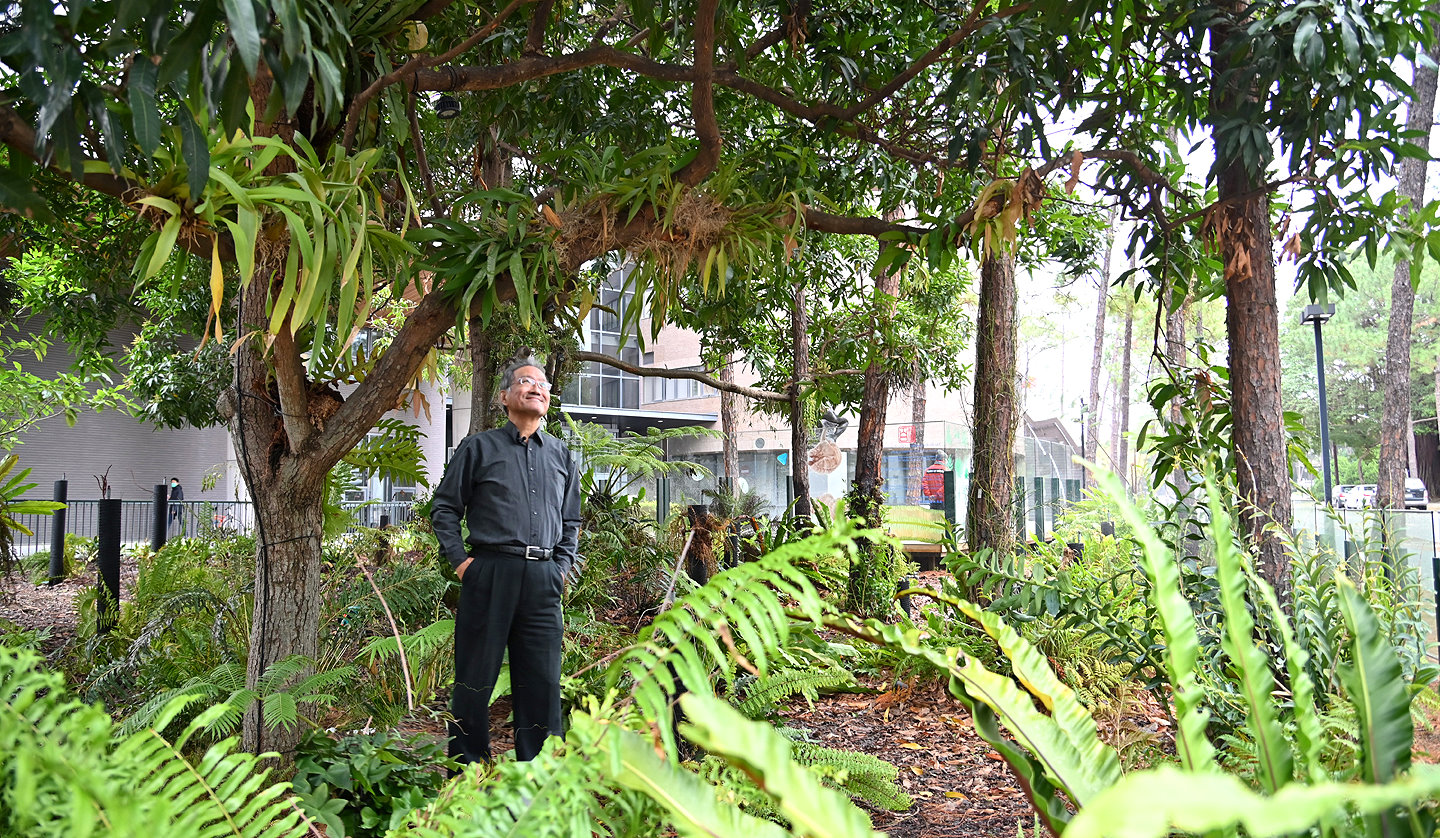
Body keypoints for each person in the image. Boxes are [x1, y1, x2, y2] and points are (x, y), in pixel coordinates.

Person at [429, 353, 581, 764]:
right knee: (475, 680)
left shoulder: (561, 455)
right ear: (504, 396)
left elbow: (571, 520)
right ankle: (466, 771)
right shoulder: (479, 448)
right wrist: (462, 563)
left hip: (544, 578)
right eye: (527, 382)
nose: (537, 389)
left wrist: (562, 567)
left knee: (543, 682)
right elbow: (444, 508)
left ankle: (538, 771)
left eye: (543, 385)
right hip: (489, 572)